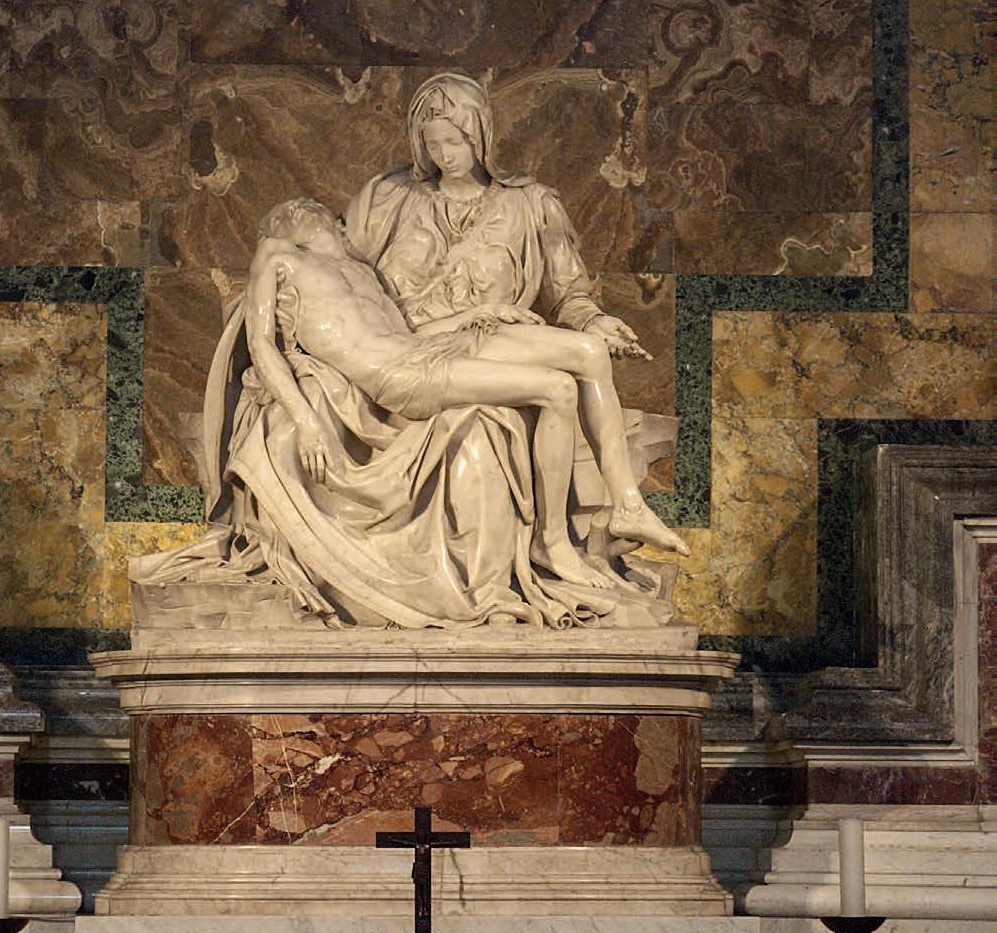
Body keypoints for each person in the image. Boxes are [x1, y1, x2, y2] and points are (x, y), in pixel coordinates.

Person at [247, 198, 687, 591]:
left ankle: (629, 505)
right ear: (297, 221)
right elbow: (261, 344)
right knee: (557, 389)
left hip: (422, 350)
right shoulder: (278, 255)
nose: (340, 225)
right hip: (400, 376)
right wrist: (306, 421)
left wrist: (482, 313)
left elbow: (406, 334)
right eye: (326, 218)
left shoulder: (360, 272)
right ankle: (551, 542)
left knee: (589, 351)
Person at [343, 72, 686, 557]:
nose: (444, 155)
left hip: (486, 337)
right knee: (563, 377)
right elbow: (336, 270)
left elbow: (566, 293)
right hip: (413, 345)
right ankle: (562, 536)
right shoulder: (387, 199)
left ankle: (628, 506)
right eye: (433, 144)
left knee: (589, 349)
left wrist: (592, 320)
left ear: (481, 134)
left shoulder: (531, 204)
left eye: (455, 142)